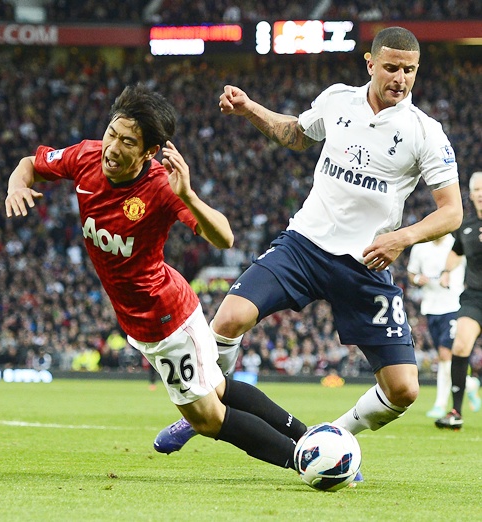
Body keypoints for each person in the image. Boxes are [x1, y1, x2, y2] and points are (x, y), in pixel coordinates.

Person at [155, 27, 463, 461]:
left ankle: (332, 438)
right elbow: (297, 133)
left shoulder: (425, 133)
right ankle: (202, 408)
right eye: (391, 67)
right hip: (304, 245)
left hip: (365, 264)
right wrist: (250, 109)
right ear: (370, 64)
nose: (400, 78)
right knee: (227, 319)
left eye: (409, 70)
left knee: (403, 389)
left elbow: (452, 211)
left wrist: (402, 237)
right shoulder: (337, 100)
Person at [5, 83, 311, 472]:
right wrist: (17, 185)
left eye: (128, 142)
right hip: (144, 316)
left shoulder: (161, 186)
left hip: (165, 318)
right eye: (112, 133)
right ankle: (310, 437)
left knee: (208, 419)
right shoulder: (86, 156)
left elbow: (225, 237)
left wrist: (188, 196)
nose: (113, 147)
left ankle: (307, 459)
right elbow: (31, 164)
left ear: (149, 152)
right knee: (217, 388)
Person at [407, 235, 480, 417]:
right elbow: (411, 273)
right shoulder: (420, 247)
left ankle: (440, 404)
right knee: (443, 356)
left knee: (446, 353)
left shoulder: (455, 243)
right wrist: (417, 279)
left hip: (454, 305)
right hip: (431, 307)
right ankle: (470, 384)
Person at [435, 171, 482, 429]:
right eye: (477, 189)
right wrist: (446, 271)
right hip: (474, 296)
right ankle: (456, 412)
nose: (481, 194)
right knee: (461, 345)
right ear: (471, 194)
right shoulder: (466, 226)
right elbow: (456, 252)